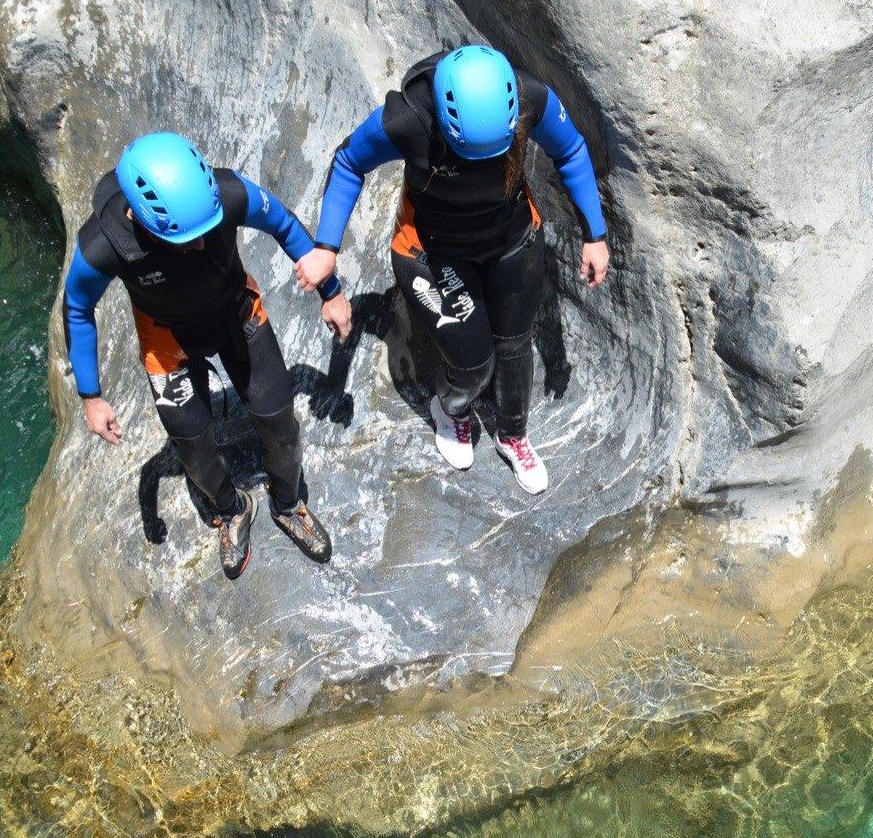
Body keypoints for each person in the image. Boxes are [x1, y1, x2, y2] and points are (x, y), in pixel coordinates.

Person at [295, 45, 609, 494]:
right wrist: (326, 247)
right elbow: (349, 161)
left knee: (515, 347)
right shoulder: (408, 118)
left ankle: (512, 435)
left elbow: (571, 149)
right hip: (431, 251)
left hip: (511, 237)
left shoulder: (529, 98)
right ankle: (452, 410)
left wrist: (594, 233)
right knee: (474, 363)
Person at [63, 131, 355, 578]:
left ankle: (288, 503)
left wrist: (330, 293)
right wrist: (91, 395)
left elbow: (282, 223)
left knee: (282, 429)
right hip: (167, 341)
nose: (201, 244)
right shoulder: (103, 244)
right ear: (141, 220)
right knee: (193, 452)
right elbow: (79, 307)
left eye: (207, 229)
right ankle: (232, 510)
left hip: (237, 314)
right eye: (186, 238)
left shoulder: (229, 192)